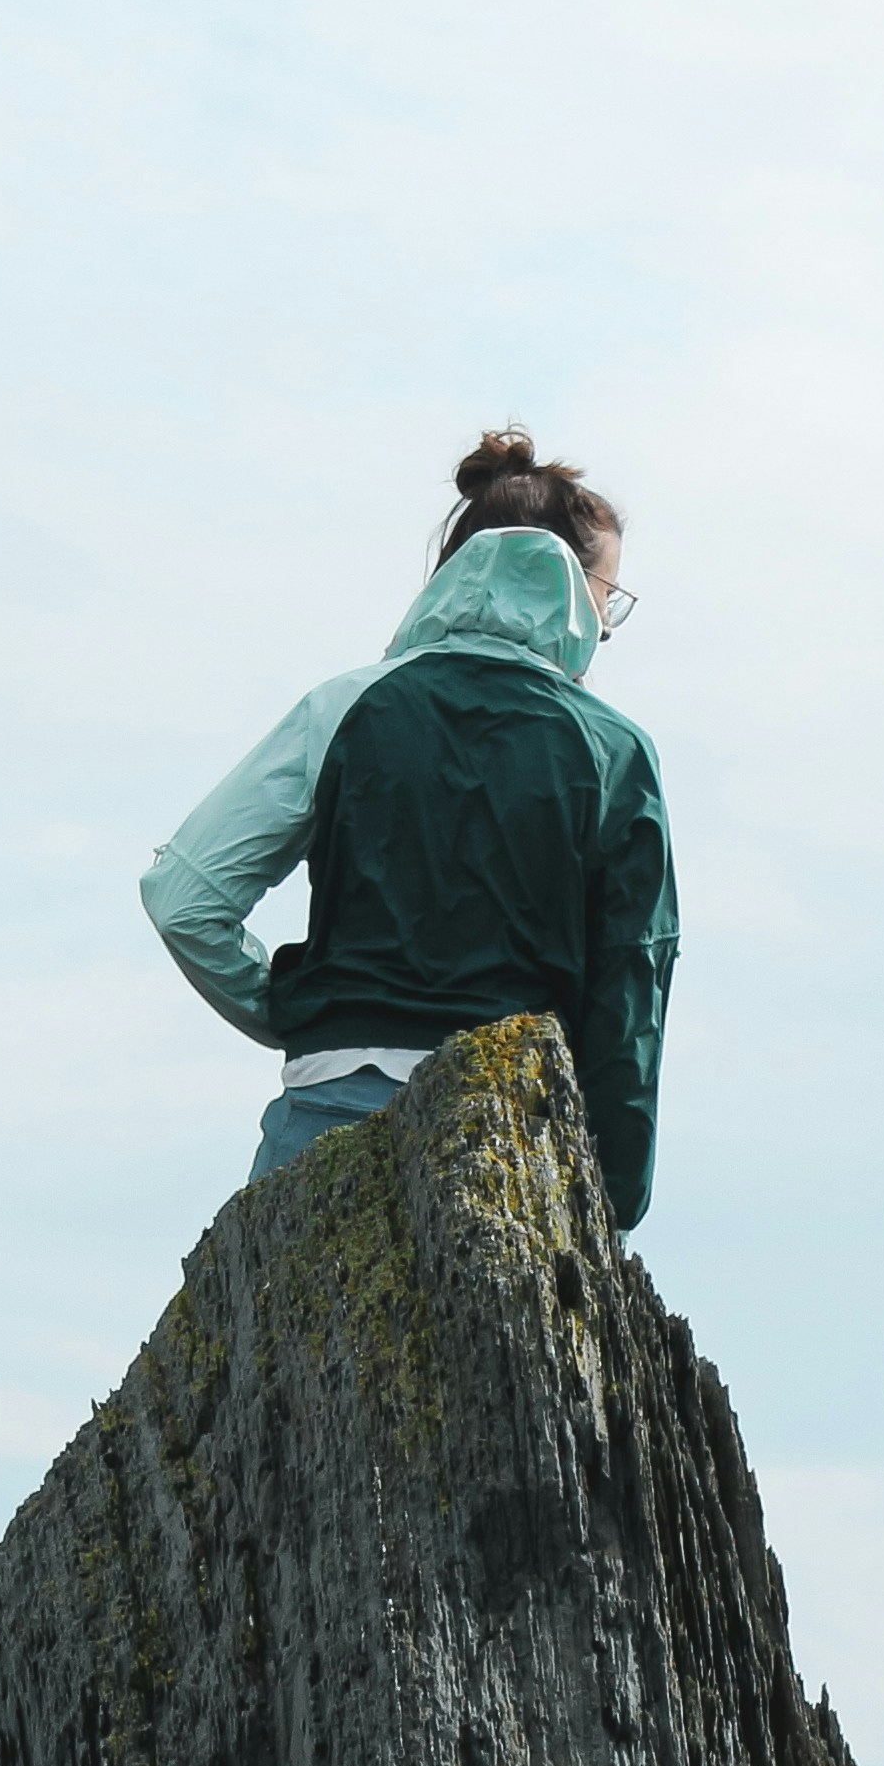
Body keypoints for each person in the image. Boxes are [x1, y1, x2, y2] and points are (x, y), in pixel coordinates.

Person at [142, 429, 681, 1225]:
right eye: (608, 596)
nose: (604, 627)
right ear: (558, 578)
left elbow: (184, 897)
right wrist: (615, 1199)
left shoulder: (343, 707)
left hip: (326, 1116)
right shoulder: (614, 751)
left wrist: (299, 1008)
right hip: (516, 1137)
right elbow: (631, 985)